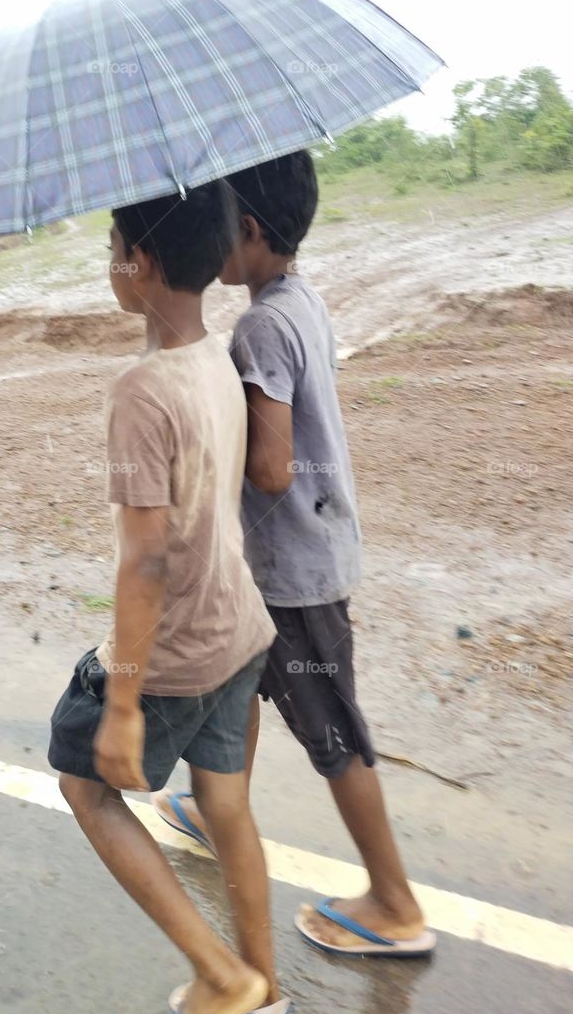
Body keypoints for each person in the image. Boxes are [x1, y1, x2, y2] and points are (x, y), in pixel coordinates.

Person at [154, 152, 435, 959]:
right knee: (239, 680)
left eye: (216, 223)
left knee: (329, 729)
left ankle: (394, 900)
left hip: (294, 571)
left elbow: (272, 465)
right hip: (294, 555)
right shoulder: (298, 300)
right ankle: (215, 809)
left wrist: (206, 430)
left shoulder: (262, 326)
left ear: (243, 231)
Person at [48, 183, 309, 1014]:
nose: (109, 262)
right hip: (243, 632)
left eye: (114, 244)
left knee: (85, 784)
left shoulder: (140, 391)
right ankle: (265, 998)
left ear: (142, 262)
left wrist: (122, 704)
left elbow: (146, 559)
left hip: (182, 651)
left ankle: (223, 976)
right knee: (225, 808)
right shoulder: (218, 358)